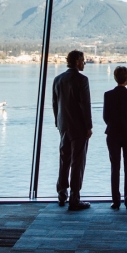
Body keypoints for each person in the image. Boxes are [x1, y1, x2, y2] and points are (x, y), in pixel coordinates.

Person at [52, 50, 92, 211]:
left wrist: (58, 122)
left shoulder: (57, 79)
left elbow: (55, 104)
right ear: (77, 62)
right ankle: (75, 199)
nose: (84, 63)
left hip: (63, 126)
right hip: (79, 127)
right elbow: (85, 105)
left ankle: (62, 195)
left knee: (64, 161)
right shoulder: (82, 80)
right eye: (83, 60)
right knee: (77, 163)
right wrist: (89, 126)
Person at [103, 66, 127, 210]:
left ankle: (115, 201)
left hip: (112, 134)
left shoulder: (108, 95)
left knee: (115, 167)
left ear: (115, 77)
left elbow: (106, 116)